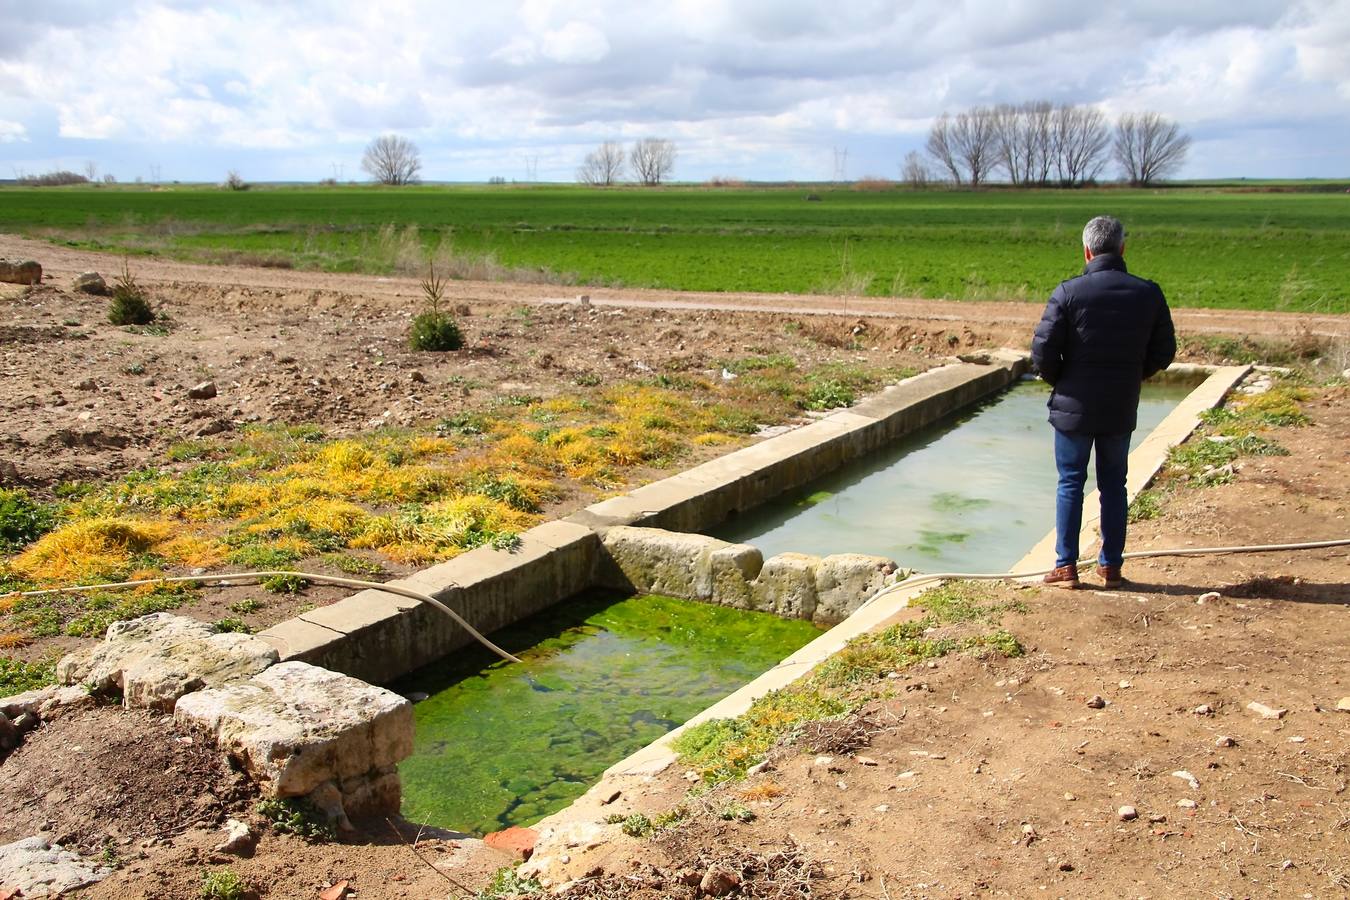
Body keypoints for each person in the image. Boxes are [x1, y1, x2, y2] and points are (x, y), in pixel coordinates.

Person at [1031, 215, 1176, 589]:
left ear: (1087, 250)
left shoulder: (1068, 292)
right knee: (1115, 485)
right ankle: (1110, 566)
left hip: (1072, 405)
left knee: (1070, 483)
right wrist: (1134, 375)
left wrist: (1060, 379)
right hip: (1119, 404)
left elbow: (1043, 351)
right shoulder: (1149, 293)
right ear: (1123, 248)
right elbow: (1164, 351)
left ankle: (1066, 566)